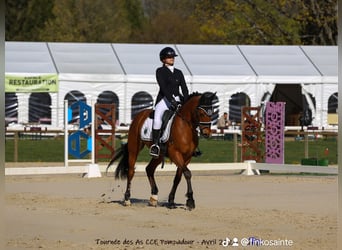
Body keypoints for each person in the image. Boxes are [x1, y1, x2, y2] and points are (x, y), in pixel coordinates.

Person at [150, 47, 189, 158]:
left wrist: (186, 100)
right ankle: (156, 145)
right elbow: (163, 88)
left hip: (178, 98)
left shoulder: (179, 72)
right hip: (164, 100)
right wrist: (171, 101)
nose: (172, 58)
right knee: (157, 120)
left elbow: (184, 88)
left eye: (172, 57)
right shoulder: (160, 71)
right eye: (169, 57)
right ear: (163, 59)